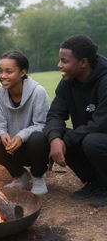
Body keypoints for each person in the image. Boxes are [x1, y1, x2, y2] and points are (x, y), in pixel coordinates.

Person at [44, 34, 107, 208]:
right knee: (55, 134)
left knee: (92, 141)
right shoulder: (67, 82)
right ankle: (95, 182)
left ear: (83, 62)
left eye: (64, 61)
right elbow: (55, 114)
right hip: (93, 138)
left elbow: (101, 124)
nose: (59, 65)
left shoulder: (104, 80)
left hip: (101, 137)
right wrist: (55, 138)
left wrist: (65, 141)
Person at [0, 50, 50, 195]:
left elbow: (42, 124)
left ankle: (38, 176)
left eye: (9, 71)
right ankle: (20, 175)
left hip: (33, 147)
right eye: (0, 71)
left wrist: (21, 136)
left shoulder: (38, 92)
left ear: (22, 72)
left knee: (38, 138)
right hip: (10, 147)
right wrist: (2, 134)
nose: (3, 76)